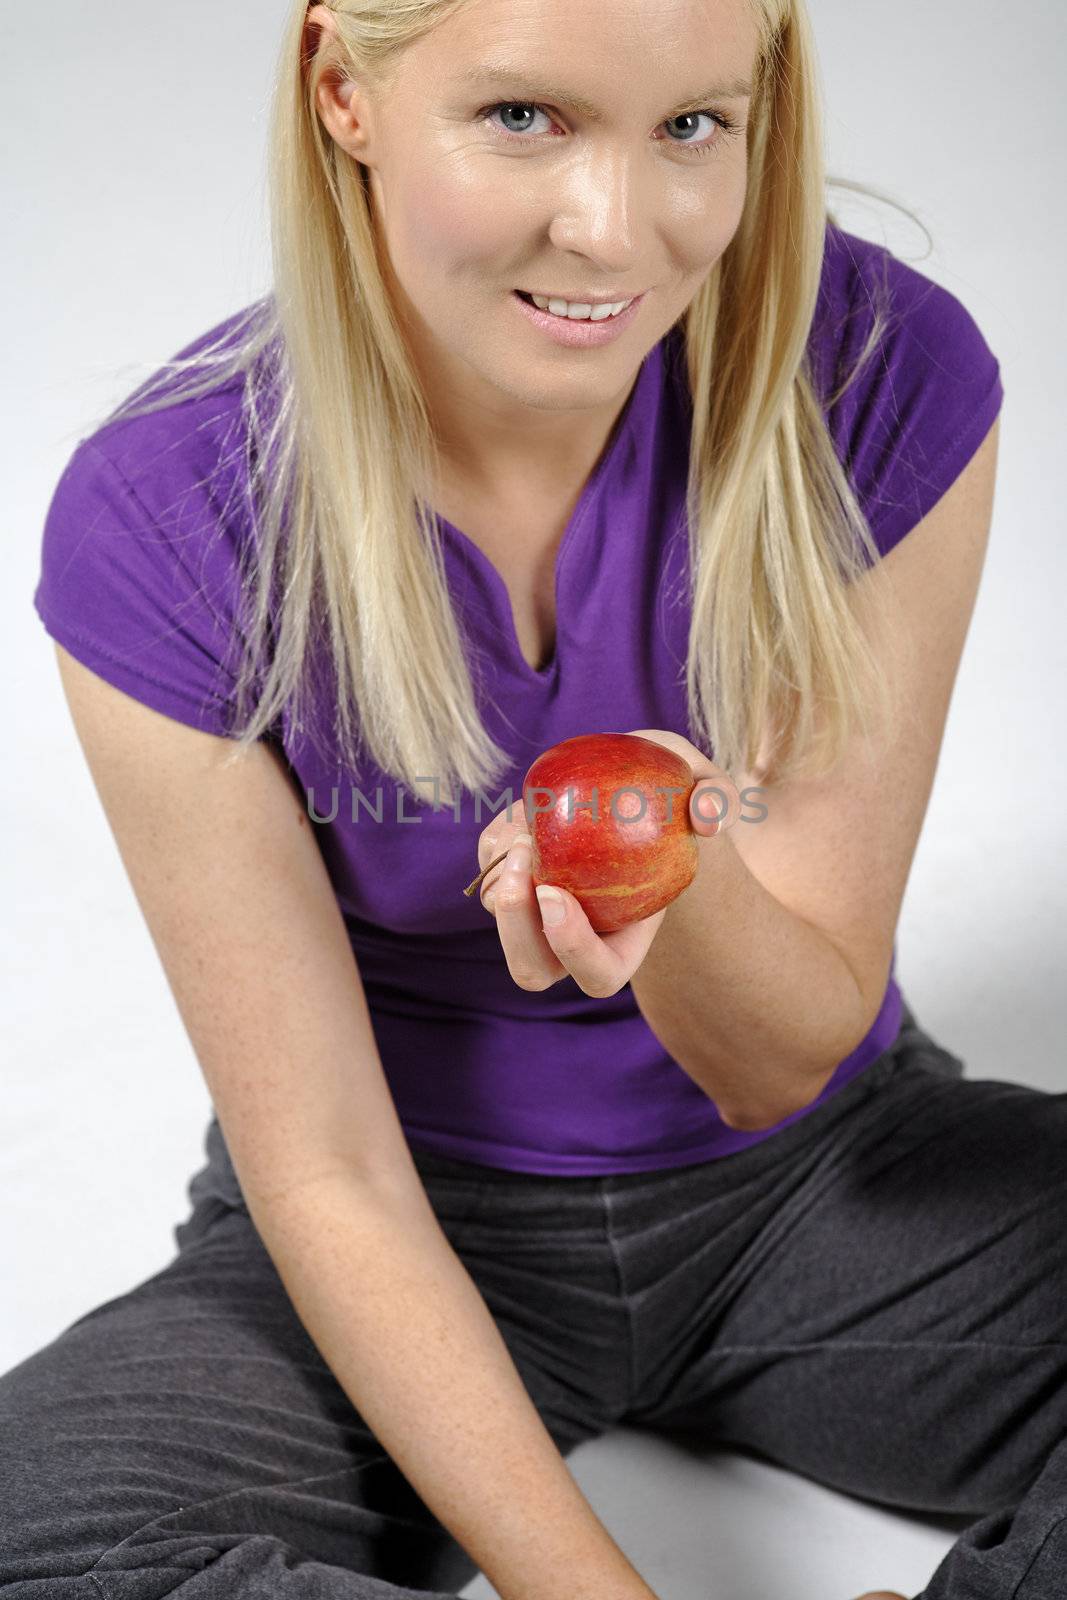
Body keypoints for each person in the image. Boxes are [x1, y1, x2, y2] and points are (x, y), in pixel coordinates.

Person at [3, 0, 1061, 1597]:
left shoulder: (879, 370)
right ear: (343, 91)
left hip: (826, 1190)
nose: (615, 230)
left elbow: (785, 1057)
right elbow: (329, 1176)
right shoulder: (168, 509)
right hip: (408, 1224)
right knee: (42, 1542)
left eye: (692, 125)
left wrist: (683, 885)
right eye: (524, 119)